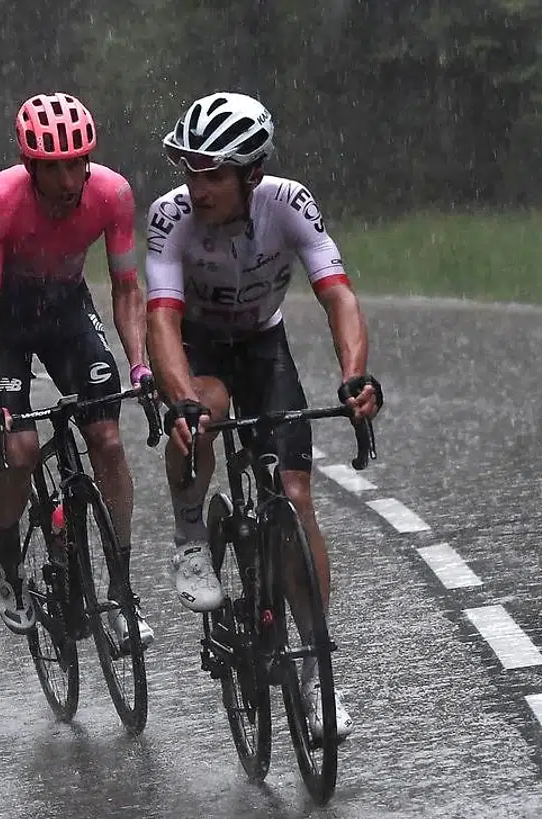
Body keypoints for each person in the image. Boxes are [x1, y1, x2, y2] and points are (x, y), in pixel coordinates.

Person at [144, 92, 383, 740]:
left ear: (251, 173)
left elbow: (339, 296)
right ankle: (191, 537)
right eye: (190, 170)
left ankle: (316, 673)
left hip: (261, 344)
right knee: (208, 409)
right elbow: (160, 318)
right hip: (196, 346)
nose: (197, 187)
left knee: (296, 497)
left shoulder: (289, 204)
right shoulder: (171, 215)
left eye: (213, 173)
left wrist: (354, 376)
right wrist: (180, 399)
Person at [0, 91, 153, 646]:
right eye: (55, 168)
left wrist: (138, 364)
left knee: (108, 440)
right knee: (20, 450)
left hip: (68, 310)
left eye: (78, 163)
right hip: (9, 319)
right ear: (30, 165)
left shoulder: (112, 193)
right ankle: (7, 556)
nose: (70, 179)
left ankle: (120, 589)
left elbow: (126, 288)